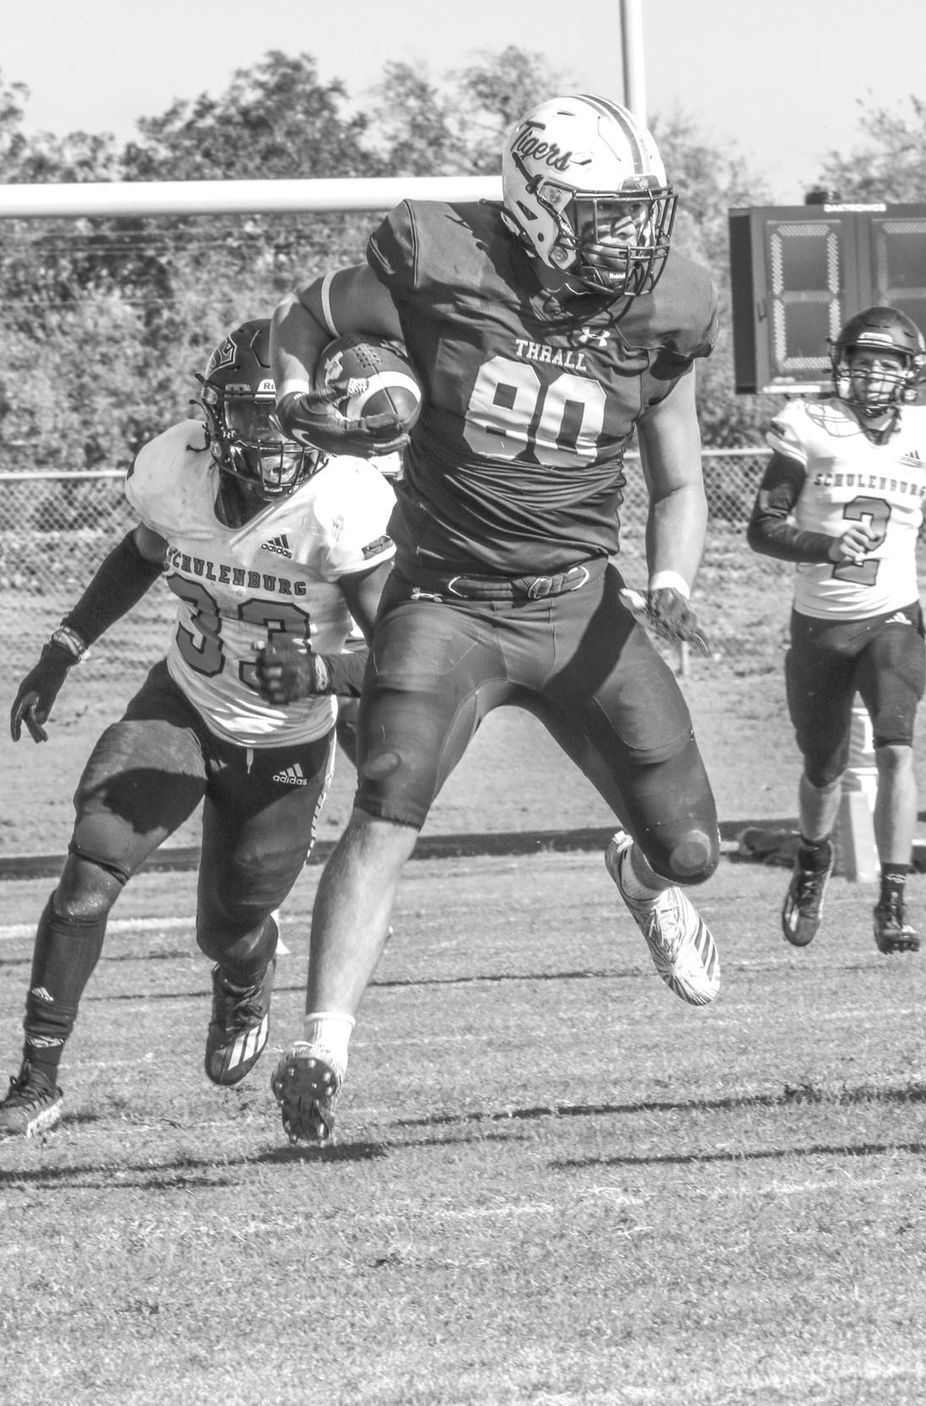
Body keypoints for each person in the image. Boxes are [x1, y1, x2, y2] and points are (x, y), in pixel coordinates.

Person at [268, 92, 723, 1145]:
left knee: (694, 848)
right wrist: (298, 401)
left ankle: (644, 881)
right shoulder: (441, 255)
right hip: (448, 599)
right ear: (536, 202)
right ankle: (322, 1046)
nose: (631, 236)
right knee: (386, 800)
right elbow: (309, 314)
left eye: (636, 212)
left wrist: (675, 582)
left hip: (578, 603)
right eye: (606, 213)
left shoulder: (661, 306)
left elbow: (680, 482)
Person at [0, 319, 397, 1138]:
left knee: (227, 923)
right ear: (216, 421)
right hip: (182, 702)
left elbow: (412, 654)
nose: (278, 434)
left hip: (284, 739)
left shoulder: (342, 500)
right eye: (257, 415)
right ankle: (37, 1079)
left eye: (292, 413)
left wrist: (325, 674)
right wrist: (62, 648)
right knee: (87, 875)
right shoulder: (176, 470)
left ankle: (246, 969)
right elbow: (142, 553)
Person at [747, 305, 926, 954]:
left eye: (889, 363)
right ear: (841, 366)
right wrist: (823, 543)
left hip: (892, 619)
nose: (875, 374)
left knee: (896, 747)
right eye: (863, 361)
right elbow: (763, 527)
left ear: (910, 373)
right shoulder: (810, 425)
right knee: (822, 769)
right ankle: (812, 860)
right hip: (821, 625)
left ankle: (893, 900)